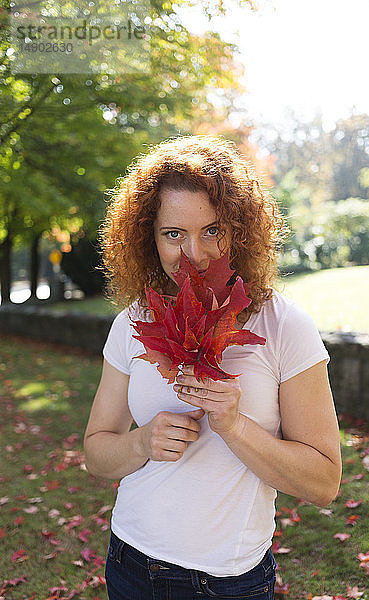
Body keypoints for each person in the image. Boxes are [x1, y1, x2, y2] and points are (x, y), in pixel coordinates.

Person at [83, 135, 342, 600]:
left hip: (230, 581)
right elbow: (97, 453)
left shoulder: (284, 325)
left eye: (213, 230)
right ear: (149, 237)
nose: (194, 254)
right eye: (173, 233)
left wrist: (234, 425)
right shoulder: (134, 323)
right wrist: (142, 441)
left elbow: (323, 484)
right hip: (132, 562)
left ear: (240, 232)